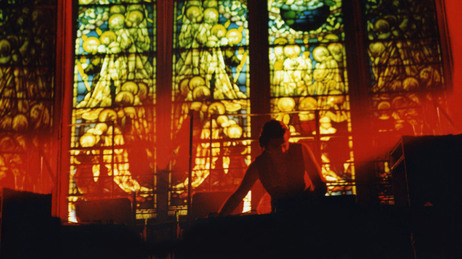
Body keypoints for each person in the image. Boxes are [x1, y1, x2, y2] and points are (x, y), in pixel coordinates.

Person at [218, 119, 327, 216]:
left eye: (284, 145)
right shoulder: (259, 165)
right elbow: (239, 195)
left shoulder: (301, 150)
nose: (282, 150)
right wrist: (220, 217)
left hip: (306, 213)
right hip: (279, 217)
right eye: (276, 147)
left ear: (288, 137)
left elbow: (320, 184)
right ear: (266, 147)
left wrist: (310, 207)